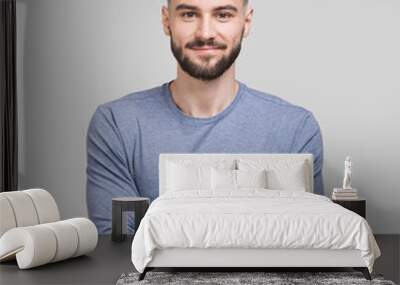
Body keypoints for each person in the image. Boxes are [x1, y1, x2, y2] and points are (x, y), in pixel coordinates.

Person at [86, 0, 324, 234]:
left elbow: (306, 242)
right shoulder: (117, 124)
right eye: (189, 14)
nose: (205, 33)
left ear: (246, 22)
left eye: (223, 15)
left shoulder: (295, 129)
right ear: (167, 21)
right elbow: (117, 250)